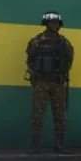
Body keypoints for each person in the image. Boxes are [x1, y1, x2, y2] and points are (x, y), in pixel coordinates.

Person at [26, 12, 74, 153]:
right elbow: (29, 59)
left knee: (59, 114)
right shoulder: (36, 41)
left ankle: (59, 145)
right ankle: (35, 145)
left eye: (57, 23)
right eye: (52, 23)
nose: (55, 25)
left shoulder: (64, 43)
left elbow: (69, 59)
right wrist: (34, 73)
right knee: (37, 115)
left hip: (57, 82)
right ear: (46, 24)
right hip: (41, 82)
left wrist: (63, 72)